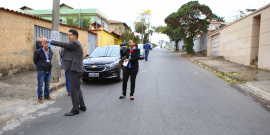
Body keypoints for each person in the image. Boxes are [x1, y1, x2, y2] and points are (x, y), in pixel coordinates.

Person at [36, 29, 86, 116]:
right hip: (76, 69)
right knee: (77, 89)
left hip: (75, 70)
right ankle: (82, 106)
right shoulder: (75, 44)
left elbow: (62, 44)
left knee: (74, 90)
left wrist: (48, 40)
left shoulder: (74, 43)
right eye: (68, 35)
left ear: (75, 36)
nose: (68, 36)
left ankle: (75, 109)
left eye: (70, 35)